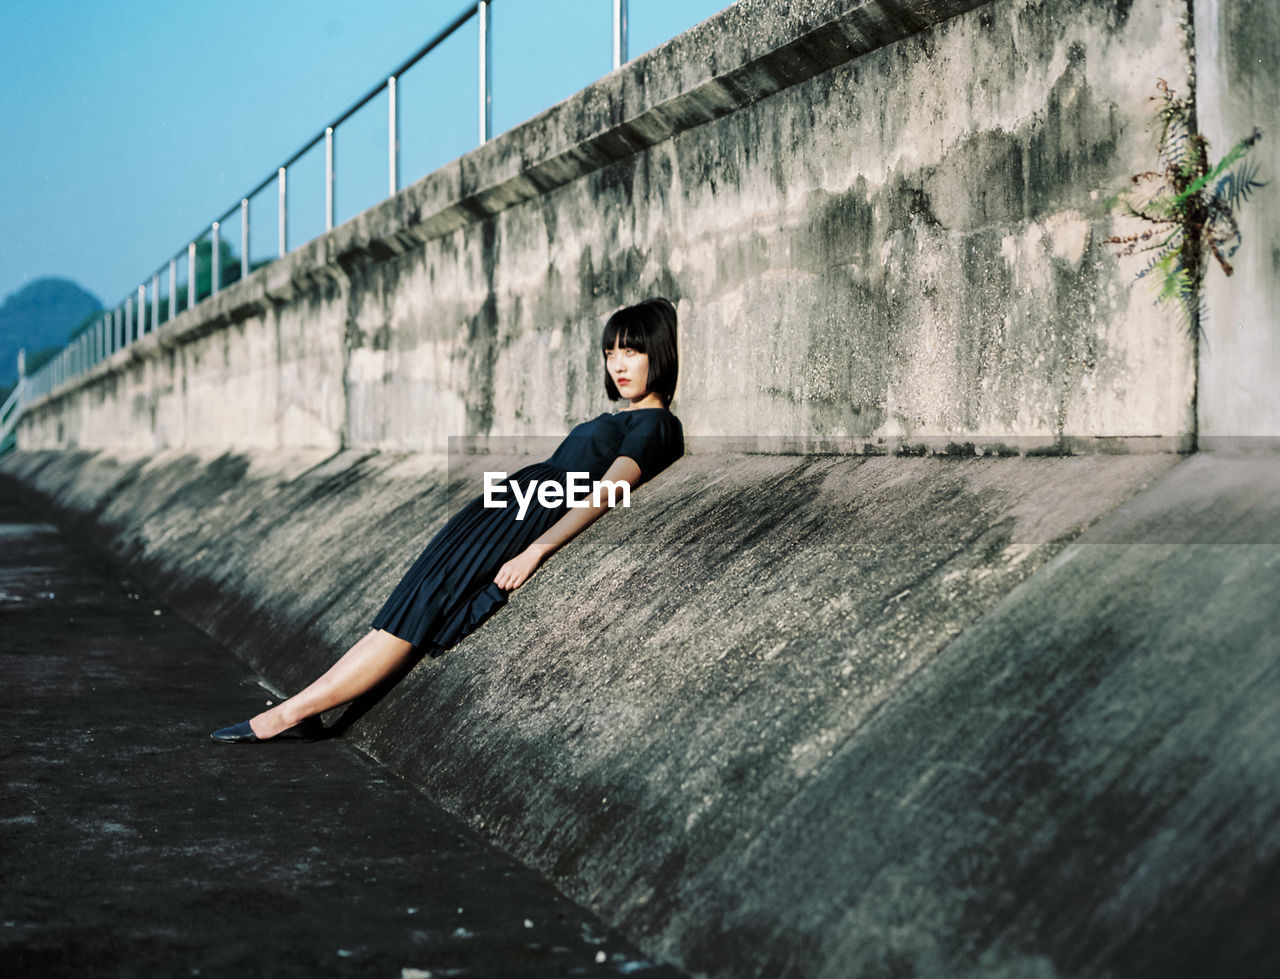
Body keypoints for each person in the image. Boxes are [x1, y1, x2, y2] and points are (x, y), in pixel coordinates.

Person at [211, 297, 684, 743]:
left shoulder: (656, 425)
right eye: (610, 353)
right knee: (402, 610)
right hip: (506, 511)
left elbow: (610, 490)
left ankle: (286, 715)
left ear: (657, 354)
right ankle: (302, 706)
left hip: (523, 522)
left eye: (631, 351)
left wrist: (537, 550)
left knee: (418, 615)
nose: (617, 365)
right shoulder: (623, 416)